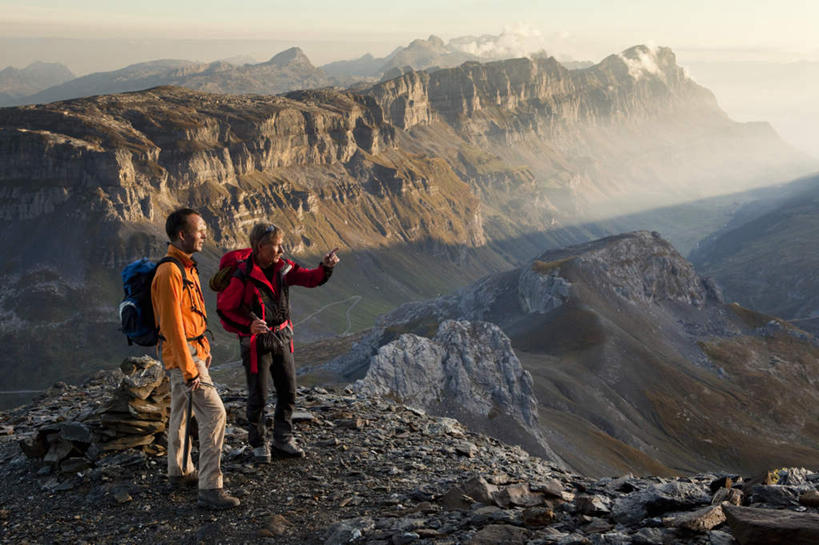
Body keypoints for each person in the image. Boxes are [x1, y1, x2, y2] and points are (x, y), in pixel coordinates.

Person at [217, 223, 339, 462]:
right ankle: (259, 444)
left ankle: (282, 441)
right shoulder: (242, 275)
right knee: (259, 395)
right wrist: (248, 326)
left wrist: (325, 267)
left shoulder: (284, 268)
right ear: (261, 247)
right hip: (256, 344)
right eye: (277, 245)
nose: (282, 250)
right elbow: (224, 309)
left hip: (282, 338)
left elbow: (310, 279)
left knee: (288, 391)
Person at [151, 208, 240, 510]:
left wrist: (203, 347)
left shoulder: (185, 266)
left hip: (192, 350)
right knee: (215, 414)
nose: (205, 234)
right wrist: (191, 368)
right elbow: (173, 326)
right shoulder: (170, 272)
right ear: (181, 235)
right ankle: (210, 488)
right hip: (184, 355)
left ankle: (179, 471)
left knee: (180, 409)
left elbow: (189, 317)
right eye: (200, 229)